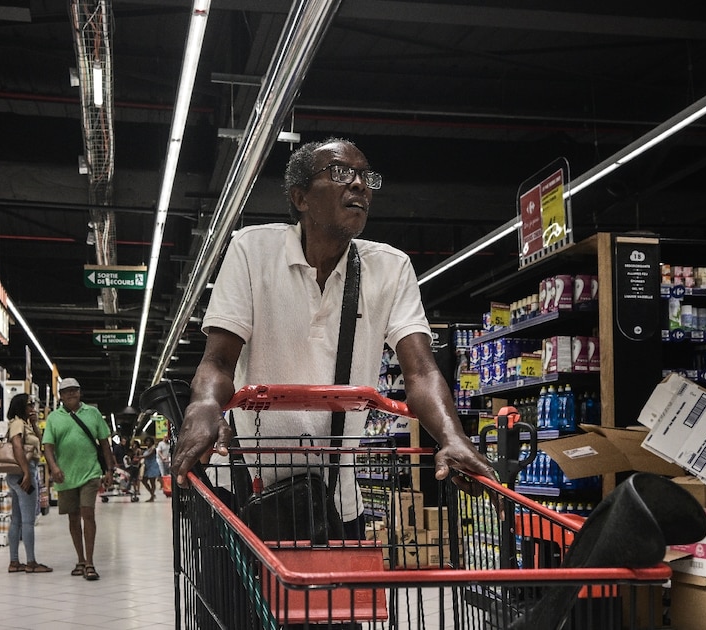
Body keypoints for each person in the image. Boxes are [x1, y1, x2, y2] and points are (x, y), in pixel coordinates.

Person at [171, 137, 495, 537]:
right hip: (242, 487)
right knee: (236, 601)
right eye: (341, 173)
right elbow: (218, 360)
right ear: (300, 197)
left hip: (335, 500)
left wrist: (452, 435)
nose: (359, 184)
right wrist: (203, 406)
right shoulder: (252, 250)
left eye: (366, 176)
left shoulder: (391, 269)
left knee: (342, 602)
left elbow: (420, 371)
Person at [42, 377, 116, 581]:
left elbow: (104, 444)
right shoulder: (53, 418)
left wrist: (109, 469)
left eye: (75, 390)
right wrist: (54, 467)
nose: (71, 394)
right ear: (61, 396)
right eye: (67, 391)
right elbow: (47, 447)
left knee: (88, 513)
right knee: (73, 517)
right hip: (65, 476)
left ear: (80, 392)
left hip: (90, 472)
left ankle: (90, 563)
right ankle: (81, 560)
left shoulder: (92, 414)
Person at [5, 393, 51, 573]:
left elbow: (40, 442)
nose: (33, 408)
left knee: (16, 519)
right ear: (20, 406)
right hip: (24, 473)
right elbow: (17, 446)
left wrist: (34, 424)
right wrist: (26, 473)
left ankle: (14, 562)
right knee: (28, 521)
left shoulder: (25, 424)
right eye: (29, 405)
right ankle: (31, 562)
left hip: (16, 474)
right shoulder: (17, 423)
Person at [140, 436, 162, 501]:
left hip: (153, 467)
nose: (147, 442)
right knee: (144, 480)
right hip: (147, 467)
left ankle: (152, 496)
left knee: (152, 482)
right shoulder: (146, 449)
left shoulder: (153, 448)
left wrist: (140, 456)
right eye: (146, 441)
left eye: (149, 441)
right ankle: (152, 494)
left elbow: (148, 455)